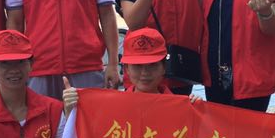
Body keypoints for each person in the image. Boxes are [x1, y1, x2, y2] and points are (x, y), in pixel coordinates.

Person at [62, 28, 200, 114]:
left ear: (164, 67)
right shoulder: (112, 107)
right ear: (126, 69)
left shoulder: (182, 107)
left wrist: (199, 112)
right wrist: (71, 112)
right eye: (138, 66)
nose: (145, 72)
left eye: (152, 65)